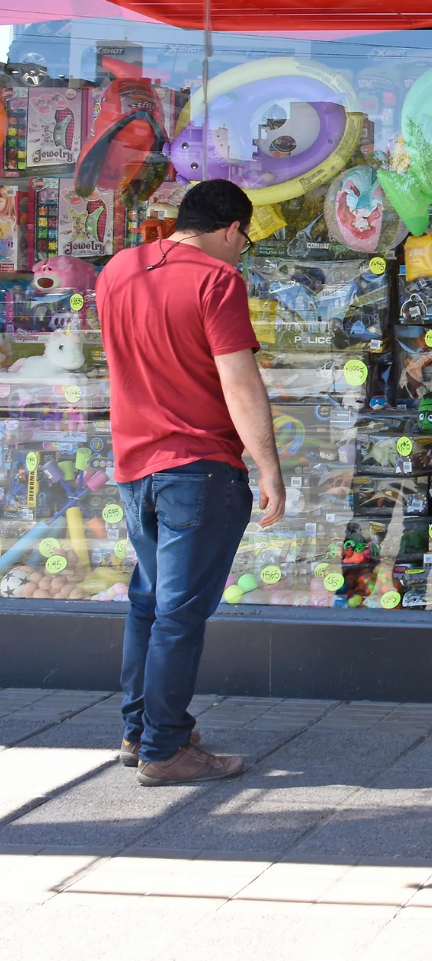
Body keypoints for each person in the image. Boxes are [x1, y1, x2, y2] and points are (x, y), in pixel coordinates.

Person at [99, 179, 285, 787]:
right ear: (232, 228)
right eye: (245, 240)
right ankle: (165, 750)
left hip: (134, 463)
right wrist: (268, 468)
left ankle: (142, 729)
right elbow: (240, 382)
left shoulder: (118, 271)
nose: (242, 251)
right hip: (197, 467)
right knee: (177, 614)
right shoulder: (217, 280)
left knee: (148, 602)